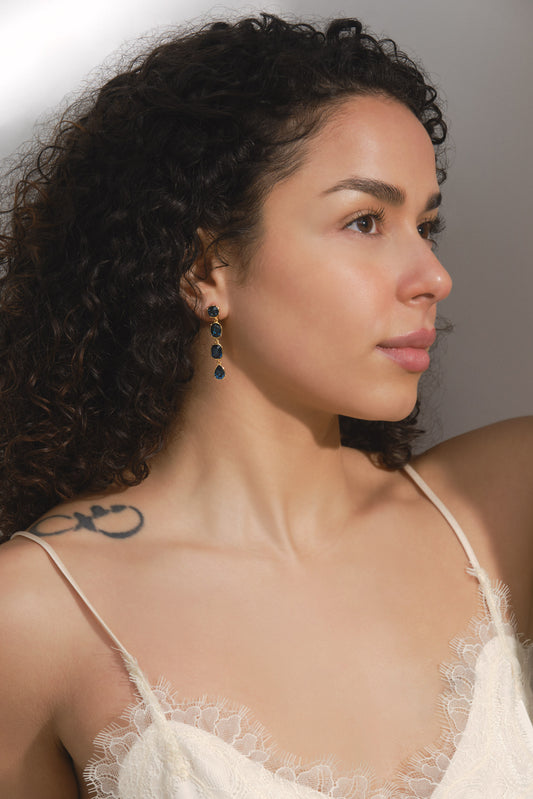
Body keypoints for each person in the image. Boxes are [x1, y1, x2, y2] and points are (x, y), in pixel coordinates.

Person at [0, 12, 532, 798]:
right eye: (364, 221)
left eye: (426, 225)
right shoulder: (35, 613)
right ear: (207, 268)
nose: (430, 275)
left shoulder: (506, 502)